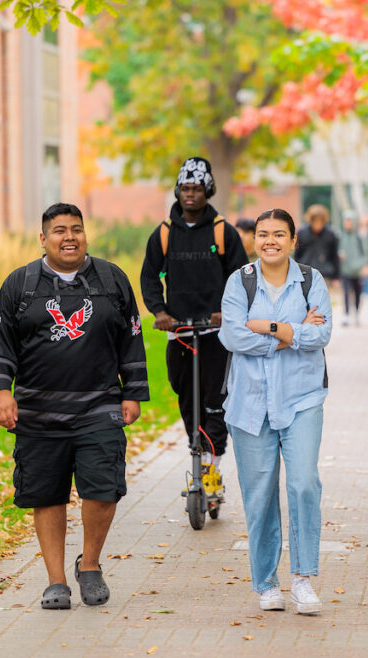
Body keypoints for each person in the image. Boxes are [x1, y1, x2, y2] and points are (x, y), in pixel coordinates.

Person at [0, 203, 149, 610]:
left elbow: (131, 337)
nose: (69, 237)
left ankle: (89, 565)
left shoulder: (112, 280)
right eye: (59, 230)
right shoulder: (20, 285)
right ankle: (56, 581)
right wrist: (3, 391)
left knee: (104, 488)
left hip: (100, 406)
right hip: (38, 411)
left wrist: (134, 392)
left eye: (76, 229)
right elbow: (0, 342)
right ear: (43, 238)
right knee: (46, 495)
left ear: (85, 235)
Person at [218, 208, 332, 615]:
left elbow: (322, 332)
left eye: (279, 234)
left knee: (303, 484)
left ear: (292, 240)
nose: (270, 241)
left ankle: (302, 579)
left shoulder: (311, 280)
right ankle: (266, 583)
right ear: (255, 240)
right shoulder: (239, 282)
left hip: (302, 398)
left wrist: (265, 326)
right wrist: (286, 332)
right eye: (263, 234)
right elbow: (232, 336)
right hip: (249, 405)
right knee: (260, 496)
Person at [140, 157, 248, 491]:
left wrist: (225, 311)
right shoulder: (164, 234)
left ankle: (211, 470)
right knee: (186, 396)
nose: (190, 195)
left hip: (216, 333)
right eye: (185, 188)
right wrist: (159, 312)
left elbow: (241, 277)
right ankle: (197, 448)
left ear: (208, 191)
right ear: (178, 191)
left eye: (197, 189)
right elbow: (148, 278)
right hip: (181, 332)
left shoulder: (223, 231)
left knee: (215, 398)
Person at [338, 210, 368, 326]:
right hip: (345, 270)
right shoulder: (341, 236)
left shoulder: (359, 237)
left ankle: (356, 313)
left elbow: (366, 254)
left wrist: (361, 265)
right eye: (346, 222)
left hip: (357, 271)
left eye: (349, 222)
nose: (347, 224)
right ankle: (346, 314)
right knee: (346, 293)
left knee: (357, 293)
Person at [295, 204, 340, 283]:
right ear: (311, 220)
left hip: (325, 274)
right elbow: (297, 254)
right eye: (315, 221)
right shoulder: (302, 233)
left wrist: (336, 277)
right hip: (305, 274)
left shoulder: (330, 234)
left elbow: (334, 256)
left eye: (320, 221)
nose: (318, 224)